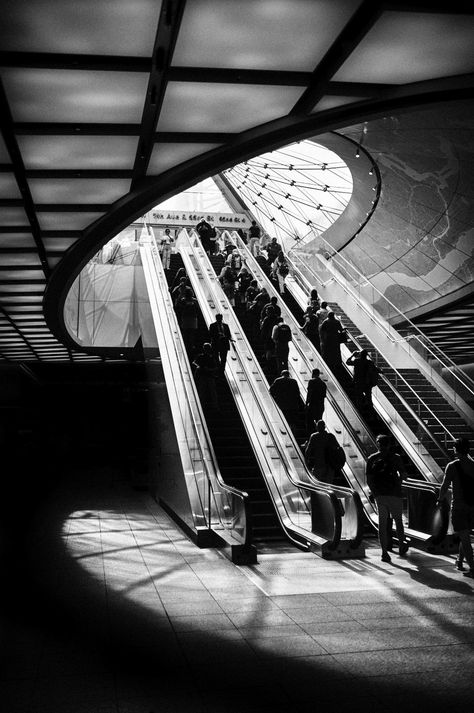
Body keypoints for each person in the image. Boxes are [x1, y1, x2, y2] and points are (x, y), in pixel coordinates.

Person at [366, 434, 409, 563]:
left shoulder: (372, 459)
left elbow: (369, 480)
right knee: (398, 522)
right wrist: (399, 484)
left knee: (383, 524)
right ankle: (401, 545)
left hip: (380, 495)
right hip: (394, 493)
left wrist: (375, 493)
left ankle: (384, 552)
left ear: (377, 444)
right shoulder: (396, 458)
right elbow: (404, 475)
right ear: (389, 444)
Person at [436, 438, 474, 578]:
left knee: (464, 537)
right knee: (465, 535)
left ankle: (473, 567)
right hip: (472, 507)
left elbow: (445, 485)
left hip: (459, 506)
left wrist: (440, 500)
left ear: (455, 449)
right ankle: (459, 561)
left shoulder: (452, 466)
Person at [304, 419, 340, 484]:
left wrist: (306, 461)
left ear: (317, 427)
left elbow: (308, 450)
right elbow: (337, 448)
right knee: (329, 484)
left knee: (316, 483)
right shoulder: (331, 436)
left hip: (319, 464)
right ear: (324, 427)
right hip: (330, 464)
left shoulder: (314, 436)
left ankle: (317, 494)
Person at [193, 343, 219, 409]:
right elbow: (194, 363)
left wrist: (208, 369)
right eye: (206, 348)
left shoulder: (209, 357)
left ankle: (203, 406)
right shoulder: (205, 357)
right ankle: (212, 406)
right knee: (208, 392)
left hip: (207, 376)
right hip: (206, 376)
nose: (207, 350)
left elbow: (215, 367)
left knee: (206, 392)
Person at [176, 287, 199, 354]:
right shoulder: (195, 301)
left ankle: (185, 345)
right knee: (192, 332)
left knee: (186, 332)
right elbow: (197, 309)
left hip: (185, 317)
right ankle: (191, 346)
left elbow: (179, 307)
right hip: (193, 318)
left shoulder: (183, 300)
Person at [305, 368, 327, 437]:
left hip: (312, 405)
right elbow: (323, 396)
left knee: (309, 423)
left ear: (313, 373)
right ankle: (320, 438)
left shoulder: (311, 381)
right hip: (320, 406)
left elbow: (310, 393)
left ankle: (310, 438)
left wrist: (306, 403)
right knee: (319, 423)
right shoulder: (323, 383)